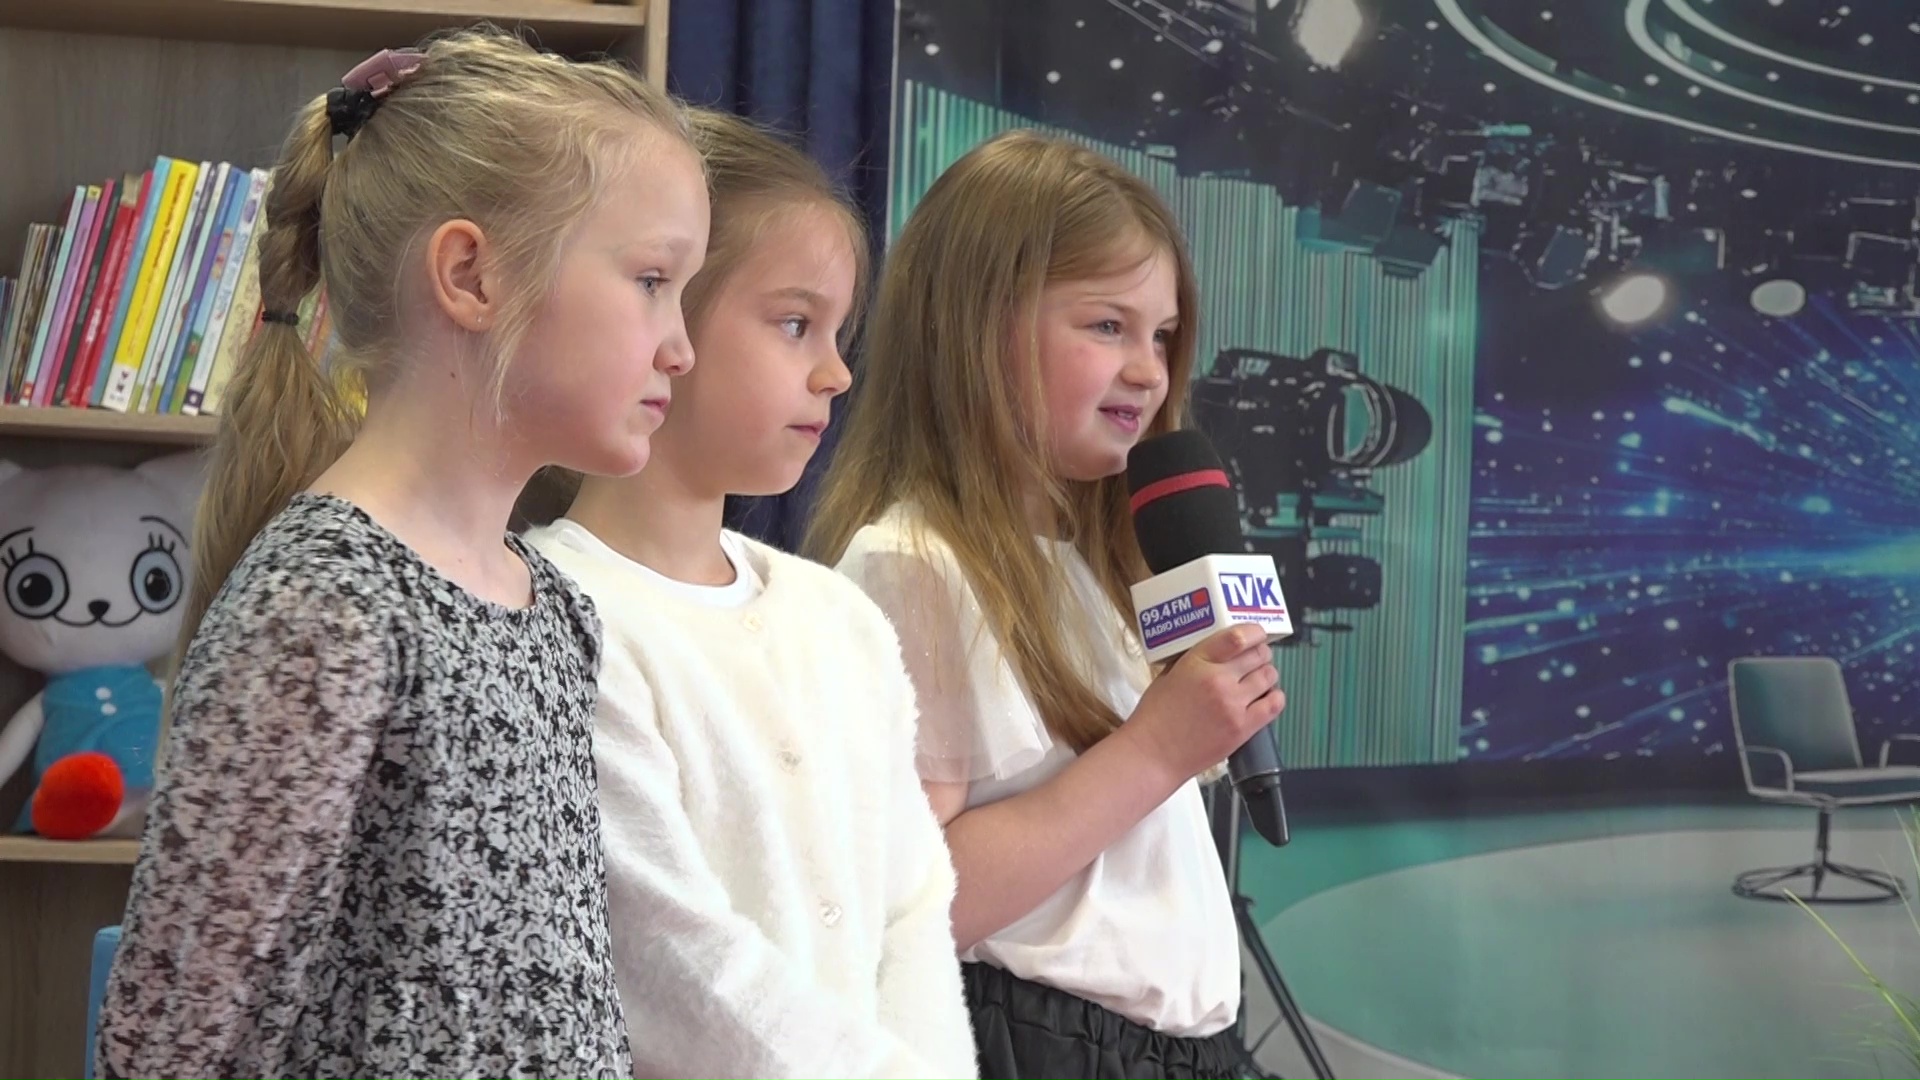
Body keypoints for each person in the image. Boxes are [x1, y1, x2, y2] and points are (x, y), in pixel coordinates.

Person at [95, 29, 709, 1078]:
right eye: (652, 279)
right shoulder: (324, 608)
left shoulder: (556, 611)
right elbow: (165, 1044)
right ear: (470, 274)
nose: (681, 346)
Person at [809, 129, 1287, 1080]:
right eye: (1108, 326)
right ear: (976, 326)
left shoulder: (1107, 565)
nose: (1149, 370)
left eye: (1161, 335)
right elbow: (911, 907)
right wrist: (1155, 750)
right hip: (1036, 1041)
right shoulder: (913, 565)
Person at [521, 109, 977, 1080]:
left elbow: (910, 911)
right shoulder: (553, 616)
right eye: (794, 324)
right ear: (664, 317)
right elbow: (674, 964)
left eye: (839, 333)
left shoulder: (841, 620)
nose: (837, 372)